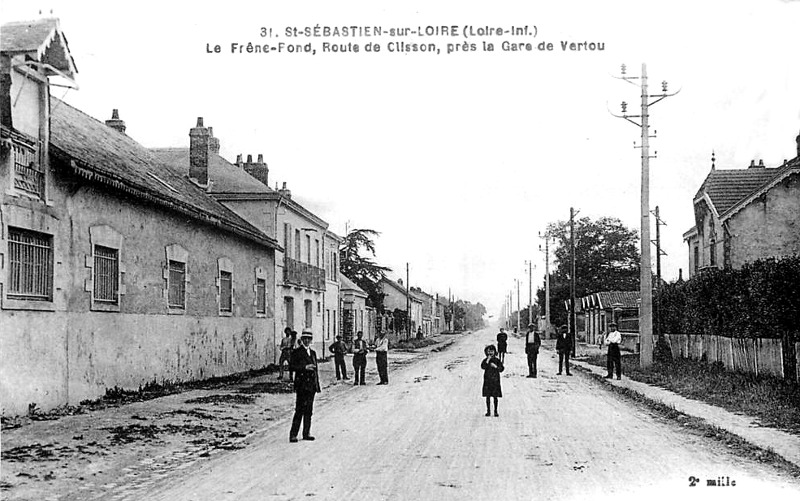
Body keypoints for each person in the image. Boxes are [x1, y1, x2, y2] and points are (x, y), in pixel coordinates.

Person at [289, 331, 321, 442]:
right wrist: (304, 367)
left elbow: (316, 371)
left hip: (311, 385)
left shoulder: (313, 353)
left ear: (311, 340)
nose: (307, 341)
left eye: (309, 339)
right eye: (305, 338)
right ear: (302, 339)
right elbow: (291, 367)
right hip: (302, 385)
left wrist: (317, 385)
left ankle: (306, 433)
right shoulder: (297, 352)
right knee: (299, 410)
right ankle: (293, 434)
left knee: (309, 410)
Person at [481, 344, 504, 417]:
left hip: (495, 380)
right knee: (487, 396)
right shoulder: (486, 360)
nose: (490, 353)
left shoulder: (497, 360)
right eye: (489, 351)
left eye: (492, 351)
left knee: (495, 396)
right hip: (487, 380)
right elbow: (483, 366)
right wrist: (487, 360)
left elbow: (502, 369)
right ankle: (488, 411)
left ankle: (495, 411)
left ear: (494, 352)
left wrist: (496, 367)